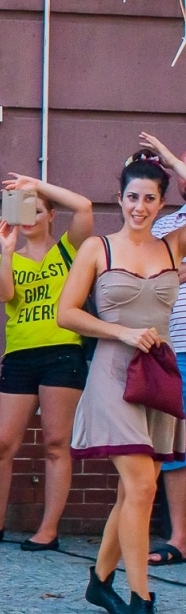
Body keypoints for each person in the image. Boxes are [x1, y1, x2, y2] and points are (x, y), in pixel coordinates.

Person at [58, 152, 185, 614]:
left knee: (134, 489)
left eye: (149, 198)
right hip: (112, 373)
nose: (139, 206)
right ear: (119, 199)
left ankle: (99, 580)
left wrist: (173, 161)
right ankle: (142, 600)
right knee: (142, 486)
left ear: (161, 203)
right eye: (132, 197)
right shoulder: (98, 248)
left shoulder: (173, 247)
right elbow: (66, 314)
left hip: (156, 376)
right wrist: (120, 332)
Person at [0, 174, 93, 550]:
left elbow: (83, 207)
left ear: (51, 215)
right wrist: (5, 249)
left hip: (63, 351)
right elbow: (4, 295)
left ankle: (48, 529)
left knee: (55, 442)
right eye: (24, 211)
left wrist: (36, 184)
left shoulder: (70, 248)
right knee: (1, 443)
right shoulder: (11, 256)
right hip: (19, 355)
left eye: (37, 210)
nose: (30, 218)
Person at [139, 132, 186, 571]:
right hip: (175, 350)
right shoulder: (167, 227)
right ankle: (180, 537)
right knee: (174, 450)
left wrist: (171, 156)